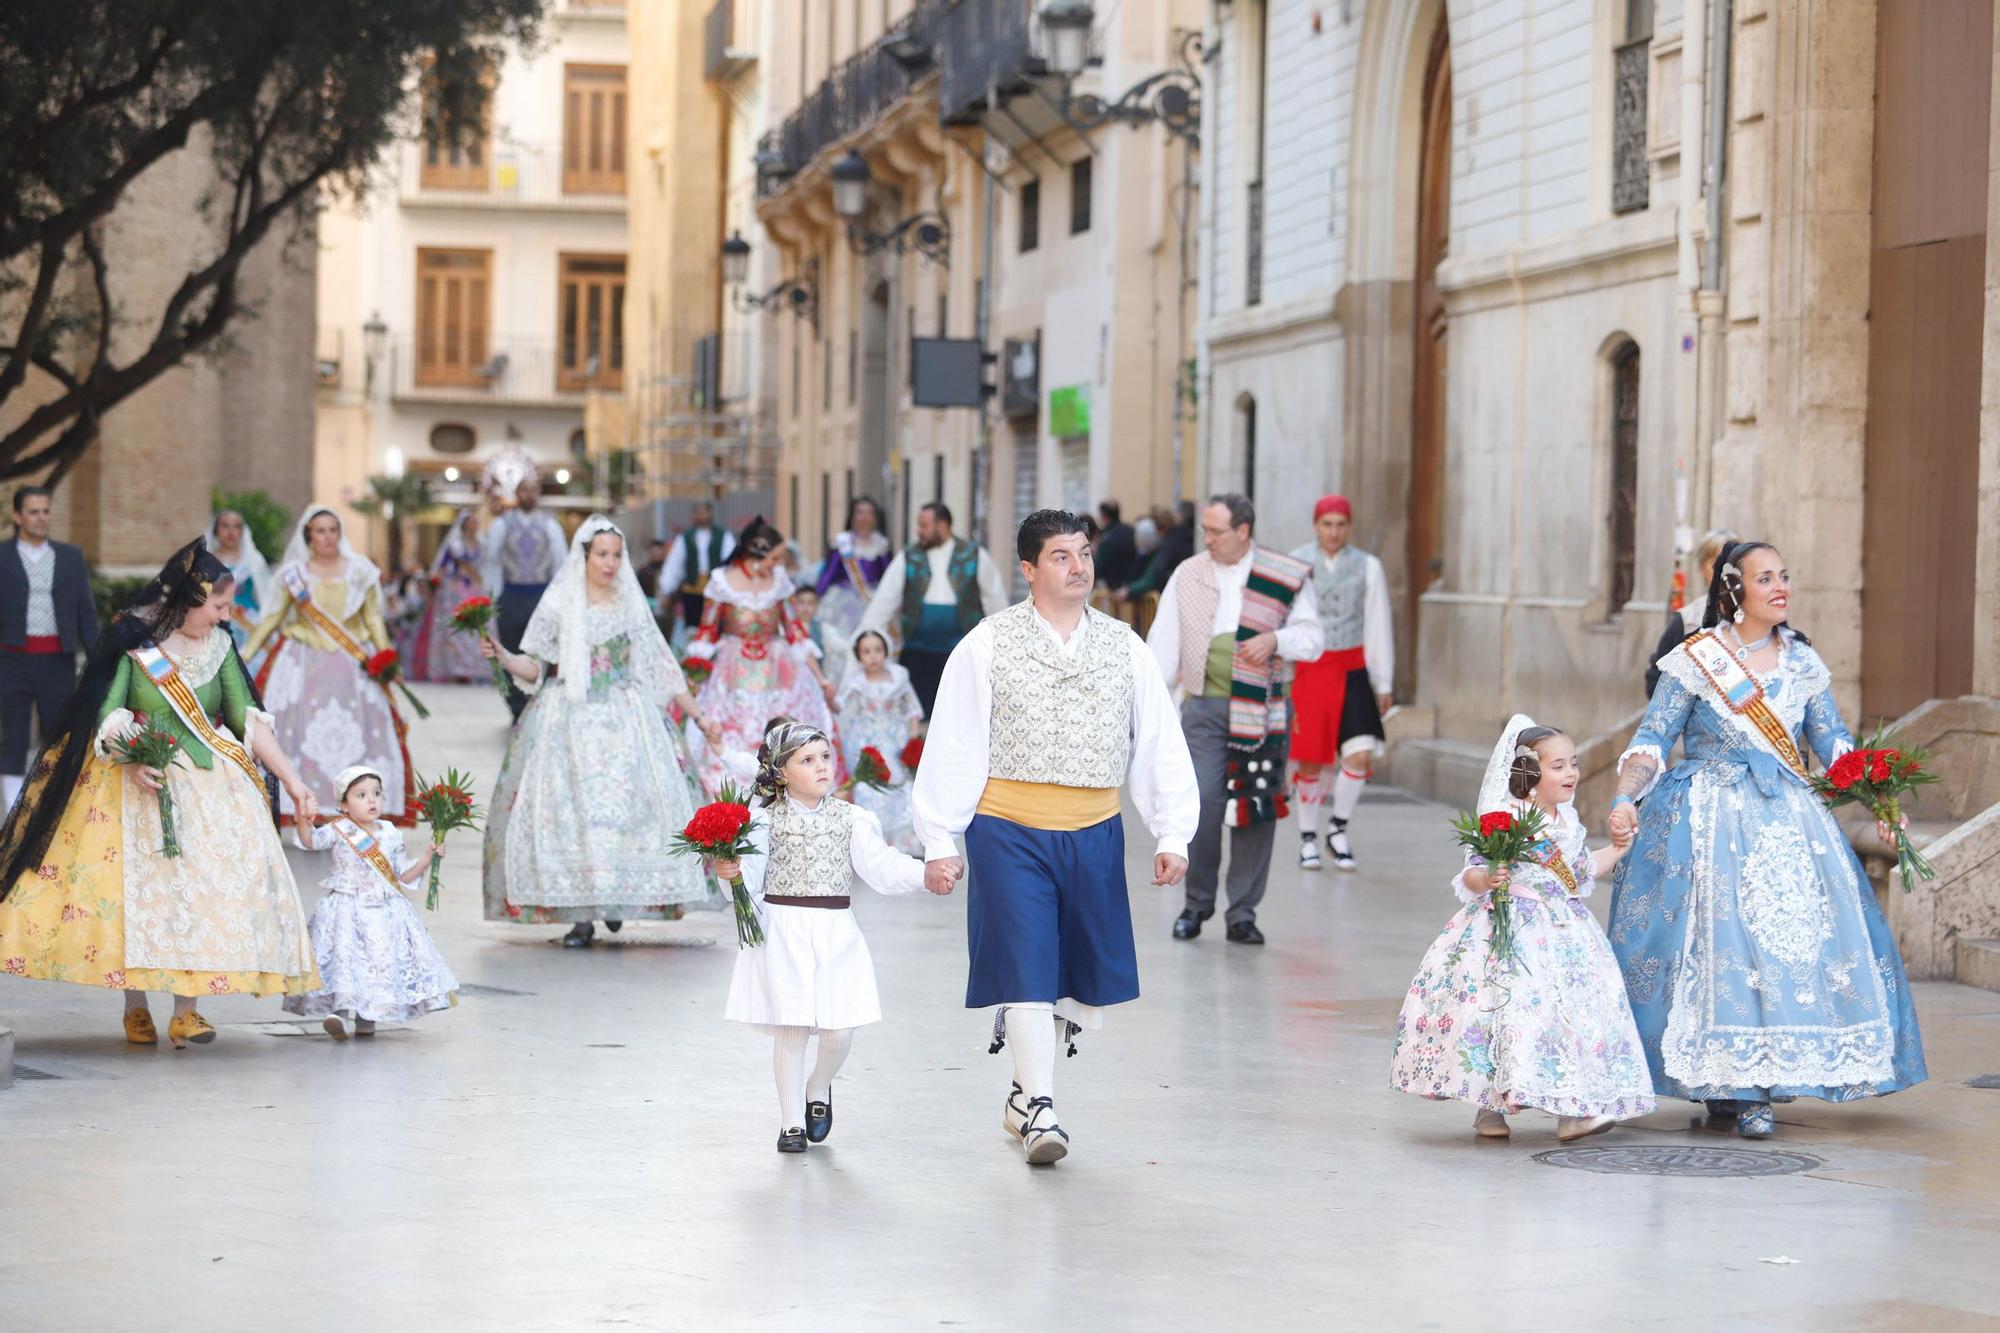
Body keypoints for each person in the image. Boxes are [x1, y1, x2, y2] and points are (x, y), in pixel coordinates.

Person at [1607, 540, 1927, 1138]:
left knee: (1782, 949)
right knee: (1718, 950)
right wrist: (1626, 796)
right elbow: (1652, 738)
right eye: (1765, 578)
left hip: (1788, 819)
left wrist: (1884, 802)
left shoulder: (1803, 662)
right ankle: (1727, 1083)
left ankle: (1763, 1084)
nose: (1780, 587)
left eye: (1784, 576)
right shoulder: (1697, 658)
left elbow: (1834, 745)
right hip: (1708, 818)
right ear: (1734, 590)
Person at [912, 509, 1198, 1166]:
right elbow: (953, 743)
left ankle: (1020, 1093)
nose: (1079, 567)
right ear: (1030, 569)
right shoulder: (987, 643)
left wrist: (1172, 830)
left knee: (1071, 975)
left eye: (1085, 553)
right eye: (1063, 556)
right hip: (1006, 828)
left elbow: (1158, 740)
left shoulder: (1126, 645)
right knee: (1026, 961)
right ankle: (1041, 1106)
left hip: (1094, 829)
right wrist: (939, 839)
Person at [0, 540, 320, 1048]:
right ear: (188, 600)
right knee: (134, 894)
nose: (224, 615)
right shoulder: (136, 644)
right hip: (133, 777)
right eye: (217, 606)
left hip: (208, 783)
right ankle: (135, 1007)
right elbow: (107, 711)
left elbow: (245, 721)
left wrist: (295, 779)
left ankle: (187, 1012)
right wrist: (130, 757)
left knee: (197, 895)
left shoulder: (220, 647)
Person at [1389, 718, 1655, 1141]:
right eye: (1558, 766)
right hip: (1515, 930)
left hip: (1567, 934)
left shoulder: (1567, 820)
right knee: (1506, 1014)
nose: (1571, 773)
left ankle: (1573, 1111)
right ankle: (1489, 1107)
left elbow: (1580, 873)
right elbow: (1474, 873)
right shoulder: (1507, 818)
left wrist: (1618, 850)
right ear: (1531, 775)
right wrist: (1490, 877)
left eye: (1574, 763)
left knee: (1569, 1019)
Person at [481, 516, 726, 948]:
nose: (610, 563)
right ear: (585, 556)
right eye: (602, 555)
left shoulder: (630, 603)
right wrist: (503, 655)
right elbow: (534, 666)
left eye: (616, 555)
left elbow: (662, 668)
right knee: (572, 815)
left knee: (622, 810)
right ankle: (583, 916)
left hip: (624, 714)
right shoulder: (559, 603)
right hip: (567, 717)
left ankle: (612, 899)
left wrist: (700, 717)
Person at [714, 720, 952, 1153]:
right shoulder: (762, 822)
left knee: (838, 1031)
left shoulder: (852, 818)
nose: (822, 766)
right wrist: (729, 873)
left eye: (825, 757)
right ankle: (791, 1124)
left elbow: (880, 866)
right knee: (792, 1027)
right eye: (808, 760)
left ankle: (818, 1087)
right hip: (782, 931)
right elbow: (747, 880)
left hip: (834, 931)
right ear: (782, 773)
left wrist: (923, 874)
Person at [1147, 494, 1322, 946]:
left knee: (1255, 808)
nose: (1206, 539)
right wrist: (1151, 708)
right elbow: (1162, 646)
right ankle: (1196, 902)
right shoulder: (1188, 573)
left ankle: (1242, 912)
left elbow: (1313, 638)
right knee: (1200, 802)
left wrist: (1276, 640)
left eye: (1215, 531)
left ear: (1243, 531)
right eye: (1204, 530)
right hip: (1203, 708)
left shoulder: (1283, 575)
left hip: (1264, 713)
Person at [243, 507, 416, 823]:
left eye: (333, 529)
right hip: (302, 664)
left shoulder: (361, 572)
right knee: (298, 735)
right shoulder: (293, 576)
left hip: (352, 667)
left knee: (357, 736)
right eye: (320, 530)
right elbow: (272, 619)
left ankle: (357, 803)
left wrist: (385, 657)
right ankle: (306, 802)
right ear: (309, 536)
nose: (328, 536)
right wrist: (243, 655)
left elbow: (373, 618)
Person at [283, 765, 457, 1040]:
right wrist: (304, 819)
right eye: (361, 795)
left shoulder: (390, 832)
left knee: (376, 963)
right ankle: (338, 1016)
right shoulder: (339, 830)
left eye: (376, 793)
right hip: (345, 908)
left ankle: (367, 1019)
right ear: (343, 805)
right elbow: (311, 841)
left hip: (383, 911)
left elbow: (401, 875)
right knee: (344, 961)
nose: (371, 800)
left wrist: (427, 857)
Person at [686, 519, 839, 793]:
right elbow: (706, 633)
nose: (778, 564)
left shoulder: (779, 582)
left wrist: (821, 679)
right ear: (757, 552)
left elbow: (796, 633)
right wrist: (693, 678)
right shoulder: (721, 582)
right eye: (775, 557)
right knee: (732, 730)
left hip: (778, 669)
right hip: (731, 672)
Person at [1288, 495, 1395, 872]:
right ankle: (1306, 836)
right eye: (1326, 524)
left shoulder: (1368, 566)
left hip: (1351, 667)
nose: (1333, 531)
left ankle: (1337, 827)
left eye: (1340, 524)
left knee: (1360, 753)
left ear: (1348, 527)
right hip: (1312, 667)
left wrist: (1383, 681)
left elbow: (1378, 622)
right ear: (1316, 526)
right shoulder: (1297, 562)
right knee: (1311, 758)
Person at [857, 502, 1008, 716]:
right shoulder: (909, 556)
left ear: (943, 524)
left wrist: (1002, 641)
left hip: (961, 650)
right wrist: (868, 630)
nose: (919, 531)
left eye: (924, 525)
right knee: (917, 713)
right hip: (918, 651)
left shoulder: (974, 555)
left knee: (959, 712)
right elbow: (885, 599)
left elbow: (995, 599)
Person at [0, 486, 98, 810]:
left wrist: (99, 659)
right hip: (11, 659)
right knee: (12, 737)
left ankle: (51, 806)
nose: (42, 518)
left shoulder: (70, 557)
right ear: (17, 516)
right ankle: (14, 810)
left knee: (57, 734)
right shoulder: (3, 557)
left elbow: (86, 610)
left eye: (46, 511)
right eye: (33, 512)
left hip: (58, 660)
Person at [480, 473, 568, 720]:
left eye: (534, 490)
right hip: (511, 596)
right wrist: (493, 597)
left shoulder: (550, 525)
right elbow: (491, 562)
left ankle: (538, 704)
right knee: (509, 651)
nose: (529, 495)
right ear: (517, 494)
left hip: (541, 598)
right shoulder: (502, 525)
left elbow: (561, 565)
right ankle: (516, 707)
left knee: (541, 653)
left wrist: (559, 601)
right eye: (524, 490)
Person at [836, 629, 925, 854]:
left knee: (901, 784)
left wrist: (913, 738)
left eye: (877, 650)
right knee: (869, 787)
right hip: (866, 741)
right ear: (859, 656)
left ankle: (904, 842)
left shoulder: (899, 676)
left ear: (886, 650)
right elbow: (843, 710)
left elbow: (912, 709)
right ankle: (874, 844)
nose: (873, 656)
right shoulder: (856, 682)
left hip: (896, 739)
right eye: (866, 652)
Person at [1644, 528, 1739, 697]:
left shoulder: (1758, 616)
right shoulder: (1687, 620)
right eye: (1715, 564)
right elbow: (1656, 680)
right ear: (1702, 568)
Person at [415, 510, 488, 683]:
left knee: (474, 630)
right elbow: (442, 567)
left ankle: (473, 668)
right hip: (455, 591)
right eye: (471, 522)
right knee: (455, 631)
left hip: (473, 590)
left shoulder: (482, 544)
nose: (474, 525)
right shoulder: (455, 545)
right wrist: (433, 586)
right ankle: (455, 668)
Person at [813, 496, 892, 640]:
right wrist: (816, 596)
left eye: (869, 513)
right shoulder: (842, 543)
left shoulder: (881, 544)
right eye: (860, 512)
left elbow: (887, 576)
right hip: (843, 603)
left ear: (875, 518)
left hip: (870, 600)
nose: (864, 517)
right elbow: (828, 574)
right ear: (853, 517)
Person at [660, 504, 737, 644]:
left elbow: (730, 562)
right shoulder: (686, 537)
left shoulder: (723, 535)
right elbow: (674, 564)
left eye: (704, 513)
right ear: (693, 515)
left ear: (710, 513)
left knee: (715, 624)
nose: (701, 517)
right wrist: (667, 588)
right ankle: (694, 659)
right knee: (692, 628)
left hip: (715, 589)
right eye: (698, 513)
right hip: (692, 588)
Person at [204, 508, 274, 653]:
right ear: (216, 530)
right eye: (225, 526)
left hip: (248, 623)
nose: (231, 531)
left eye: (236, 526)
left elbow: (266, 595)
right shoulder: (205, 561)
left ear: (242, 531)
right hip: (214, 624)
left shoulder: (254, 560)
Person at [1116, 502, 1194, 604]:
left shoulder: (1167, 546)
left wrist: (1130, 590)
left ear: (1161, 527)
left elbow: (1155, 574)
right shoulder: (1185, 538)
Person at [1093, 500, 1140, 594]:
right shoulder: (1130, 531)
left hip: (1113, 588)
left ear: (1104, 515)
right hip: (1131, 583)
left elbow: (1099, 566)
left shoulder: (1107, 537)